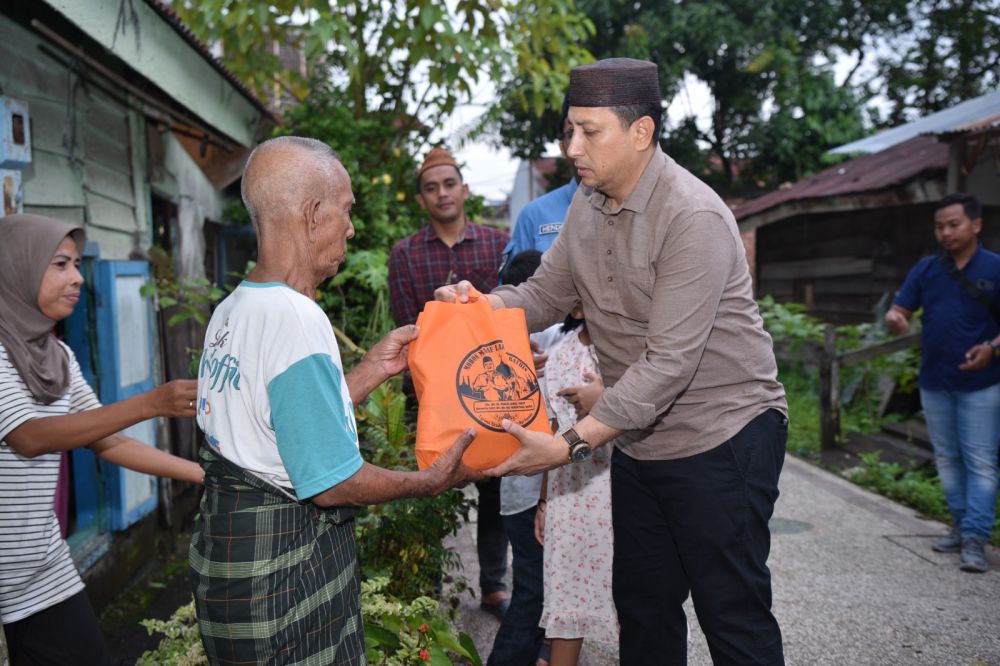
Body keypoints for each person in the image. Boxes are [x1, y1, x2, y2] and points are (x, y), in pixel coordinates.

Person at [436, 58, 788, 666]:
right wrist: (480, 304)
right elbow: (545, 294)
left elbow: (668, 364)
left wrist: (569, 443)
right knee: (643, 605)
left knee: (730, 610)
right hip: (639, 438)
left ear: (641, 132)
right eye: (569, 130)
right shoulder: (588, 206)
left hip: (722, 434)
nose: (572, 146)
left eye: (588, 131)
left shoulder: (691, 215)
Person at [188, 136, 482, 664]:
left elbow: (281, 431)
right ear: (311, 214)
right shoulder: (297, 318)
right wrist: (429, 481)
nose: (350, 227)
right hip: (281, 584)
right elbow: (332, 481)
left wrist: (371, 369)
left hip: (232, 571)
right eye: (345, 211)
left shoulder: (234, 308)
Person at [0, 213, 204, 665]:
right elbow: (30, 438)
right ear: (17, 268)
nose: (77, 278)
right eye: (60, 264)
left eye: (76, 265)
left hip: (40, 565)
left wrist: (207, 475)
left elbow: (108, 440)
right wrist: (150, 403)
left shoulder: (58, 356)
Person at [388, 146, 512, 618]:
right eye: (431, 187)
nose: (442, 193)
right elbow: (407, 325)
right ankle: (427, 586)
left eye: (449, 184)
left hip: (487, 390)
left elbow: (502, 319)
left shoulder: (495, 244)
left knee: (494, 486)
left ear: (464, 189)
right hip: (431, 394)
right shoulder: (405, 254)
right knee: (428, 485)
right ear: (421, 198)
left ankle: (495, 585)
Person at [884, 192, 1000, 573]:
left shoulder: (995, 268)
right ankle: (959, 526)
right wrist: (895, 319)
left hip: (982, 383)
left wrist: (992, 348)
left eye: (954, 224)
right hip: (934, 379)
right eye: (940, 226)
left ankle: (975, 538)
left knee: (980, 461)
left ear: (976, 225)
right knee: (948, 459)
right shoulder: (927, 269)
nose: (946, 232)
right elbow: (900, 309)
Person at [489, 250, 565, 666]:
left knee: (540, 590)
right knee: (534, 595)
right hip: (533, 492)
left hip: (521, 490)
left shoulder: (506, 344)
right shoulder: (547, 343)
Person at [535, 304, 616, 665]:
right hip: (568, 489)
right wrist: (543, 501)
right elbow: (552, 431)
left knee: (635, 597)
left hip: (623, 483)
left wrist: (605, 397)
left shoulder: (628, 349)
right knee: (566, 597)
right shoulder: (561, 353)